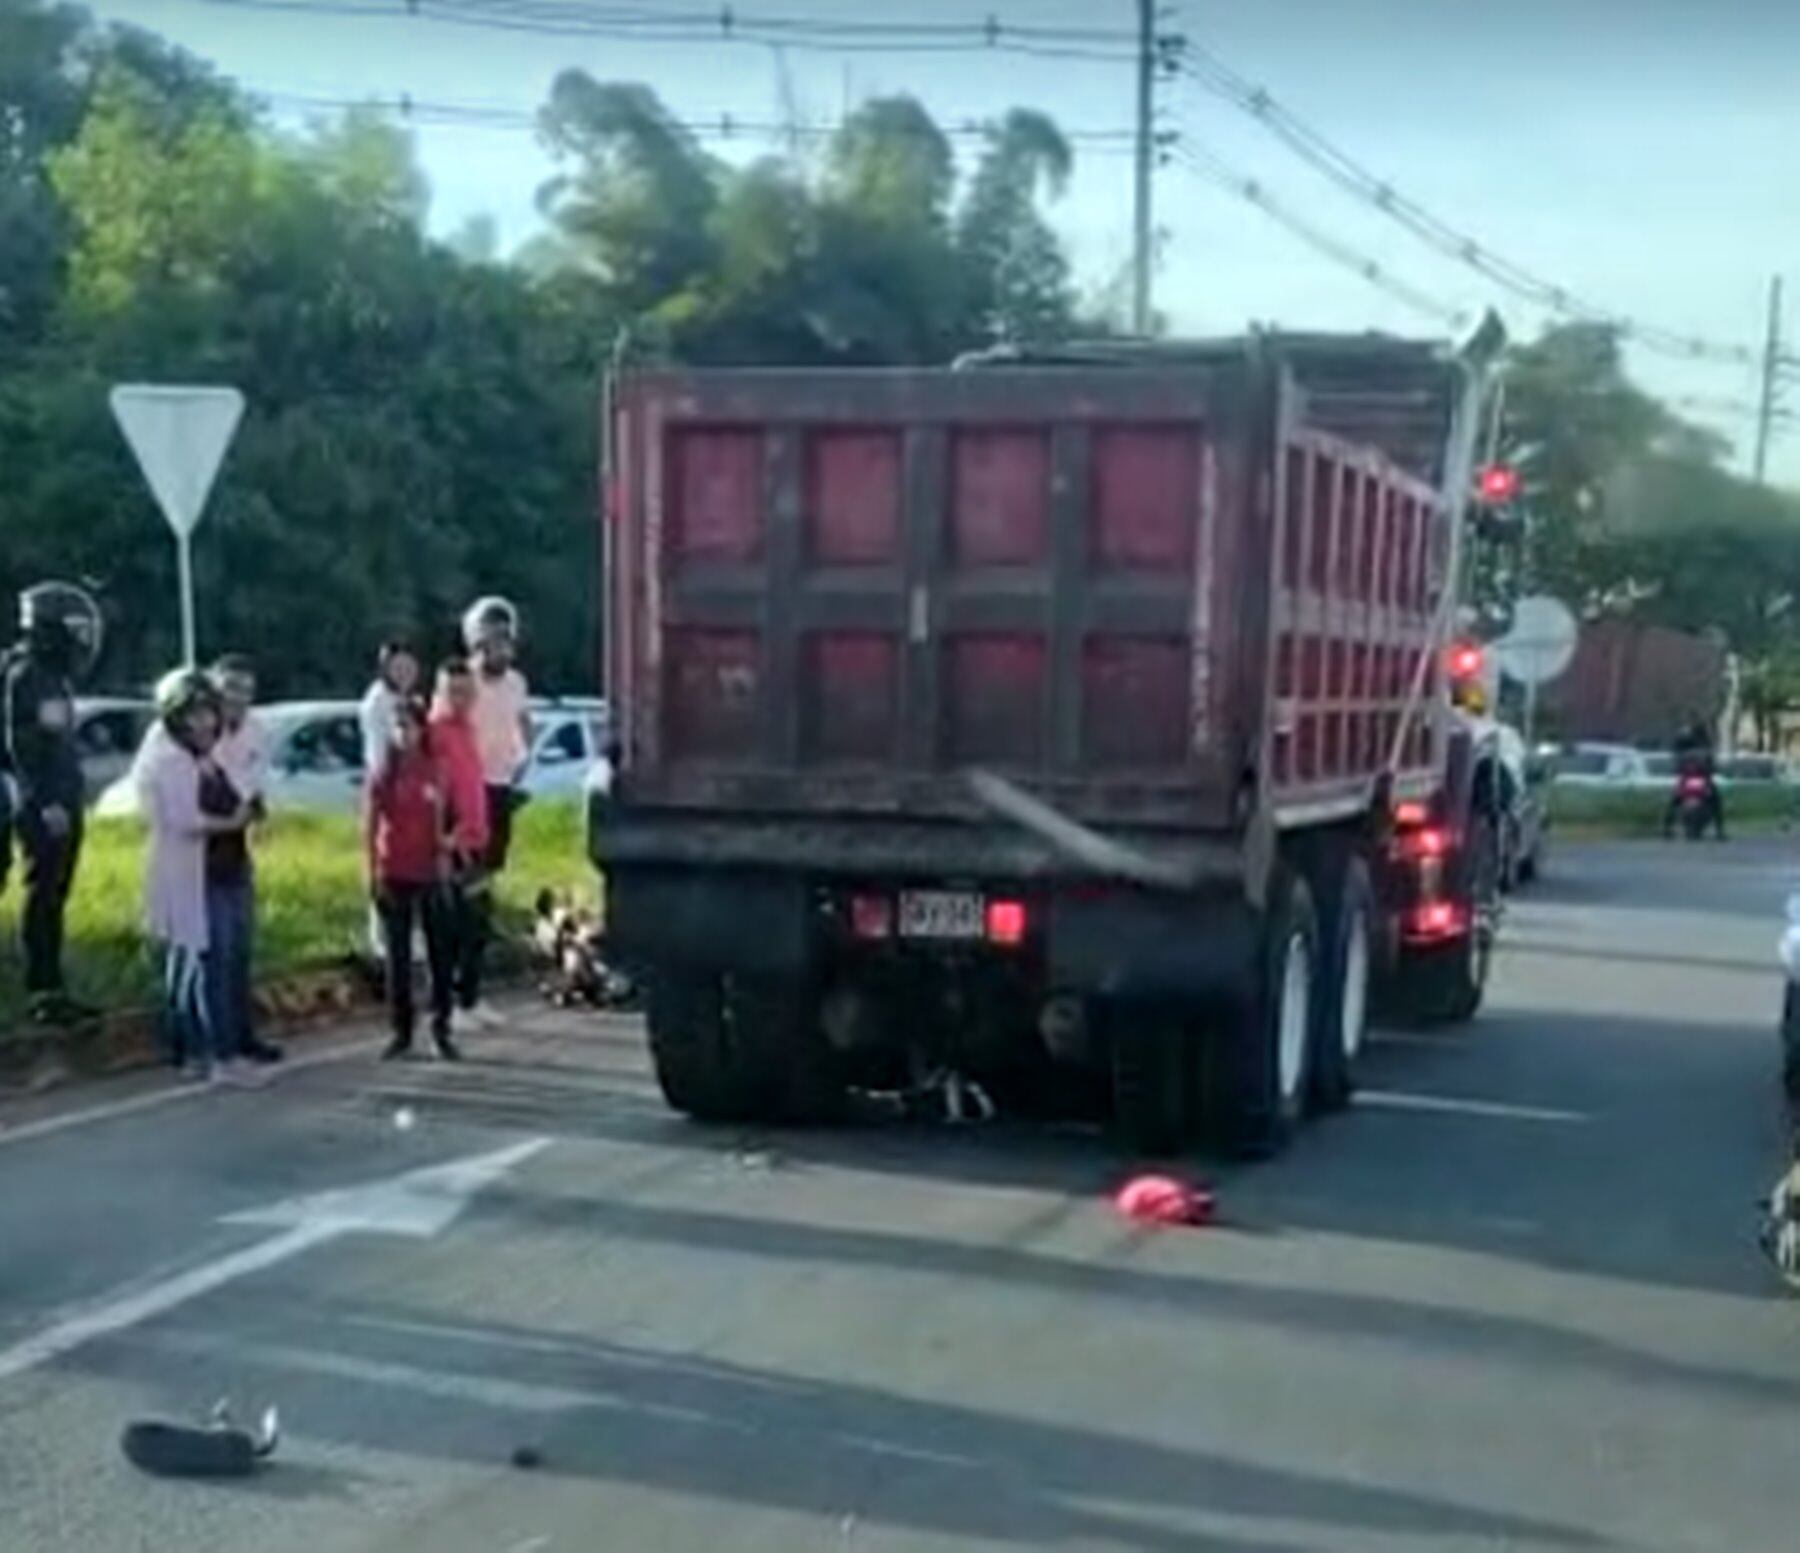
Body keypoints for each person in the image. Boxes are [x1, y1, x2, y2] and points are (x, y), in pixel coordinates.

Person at [138, 670, 255, 1085]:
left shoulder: (203, 757)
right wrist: (234, 820)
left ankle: (206, 1051)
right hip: (195, 874)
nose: (205, 722)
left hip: (223, 867)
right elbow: (184, 820)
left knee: (215, 962)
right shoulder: (169, 759)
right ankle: (215, 1054)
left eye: (209, 712)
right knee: (208, 965)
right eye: (195, 714)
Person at [2, 582, 101, 1023]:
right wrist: (45, 802)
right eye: (74, 628)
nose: (82, 639)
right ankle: (44, 991)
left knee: (50, 893)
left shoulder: (44, 675)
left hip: (49, 799)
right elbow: (26, 745)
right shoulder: (32, 676)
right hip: (42, 804)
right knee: (43, 893)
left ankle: (47, 986)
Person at [365, 697, 460, 1062]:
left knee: (439, 954)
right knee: (398, 959)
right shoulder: (384, 774)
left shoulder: (436, 770)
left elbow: (447, 820)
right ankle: (401, 1030)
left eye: (411, 726)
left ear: (423, 730)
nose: (405, 734)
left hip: (430, 871)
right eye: (398, 727)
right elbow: (371, 826)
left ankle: (441, 1027)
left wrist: (447, 854)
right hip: (394, 870)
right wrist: (372, 871)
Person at [207, 655, 282, 1065]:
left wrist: (255, 811)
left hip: (237, 843)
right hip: (200, 844)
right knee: (213, 950)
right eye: (230, 688)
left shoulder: (257, 731)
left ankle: (242, 1035)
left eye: (245, 691)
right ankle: (215, 1043)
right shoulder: (198, 732)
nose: (237, 699)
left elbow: (256, 785)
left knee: (239, 948)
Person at [462, 598, 530, 1027]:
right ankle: (453, 995)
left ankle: (472, 992)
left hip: (502, 790)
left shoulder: (517, 683)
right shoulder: (461, 681)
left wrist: (521, 762)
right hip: (468, 793)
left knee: (484, 894)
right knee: (462, 894)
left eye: (505, 638)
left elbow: (522, 724)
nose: (499, 647)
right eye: (490, 637)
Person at [429, 658, 491, 1033]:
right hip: (453, 845)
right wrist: (446, 839)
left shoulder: (469, 729)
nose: (461, 698)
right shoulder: (436, 733)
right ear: (439, 693)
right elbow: (436, 793)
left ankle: (470, 996)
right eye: (453, 691)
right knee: (454, 928)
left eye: (467, 691)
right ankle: (451, 1005)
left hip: (477, 840)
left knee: (478, 923)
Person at [357, 639, 421, 962]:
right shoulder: (377, 702)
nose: (405, 672)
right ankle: (382, 948)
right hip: (388, 789)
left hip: (416, 790)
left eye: (410, 666)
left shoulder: (413, 699)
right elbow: (377, 757)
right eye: (398, 667)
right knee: (384, 865)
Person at [1665, 716, 1726, 839]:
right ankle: (1667, 828)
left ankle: (1720, 830)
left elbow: (1711, 762)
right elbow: (1675, 758)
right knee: (1675, 799)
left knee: (1714, 799)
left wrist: (1711, 768)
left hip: (1701, 777)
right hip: (1687, 778)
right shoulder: (1683, 743)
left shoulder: (1704, 747)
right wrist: (1678, 768)